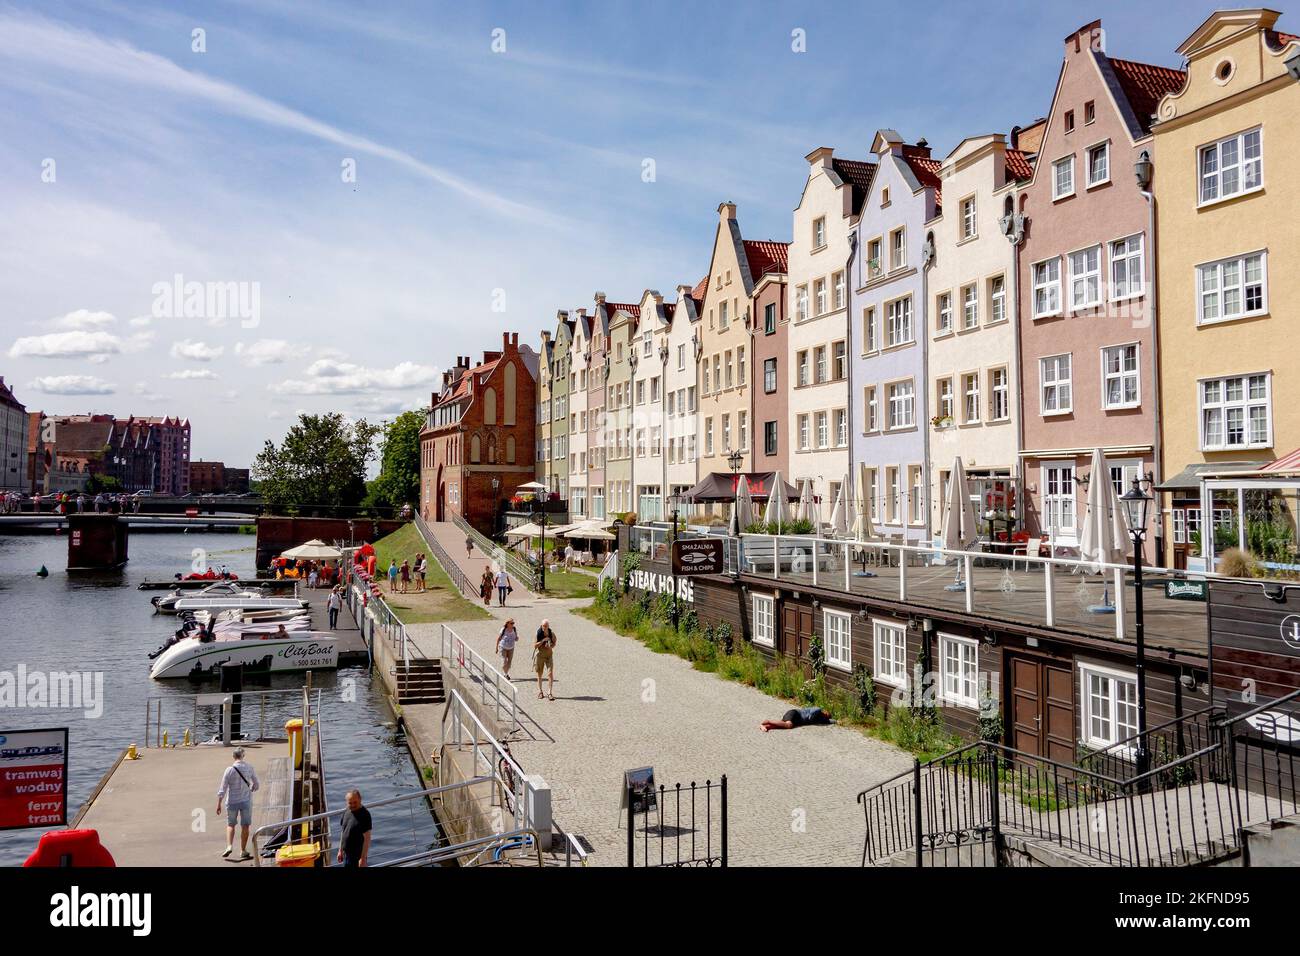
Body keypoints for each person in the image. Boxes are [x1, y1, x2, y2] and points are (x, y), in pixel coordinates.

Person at [216, 748, 260, 860]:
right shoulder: (249, 767)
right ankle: (243, 850)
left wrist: (219, 804)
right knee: (245, 826)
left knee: (231, 824)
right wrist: (252, 789)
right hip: (246, 801)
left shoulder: (229, 770)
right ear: (243, 756)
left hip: (232, 802)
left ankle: (229, 846)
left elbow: (223, 788)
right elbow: (256, 785)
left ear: (233, 757)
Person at [336, 789, 372, 868]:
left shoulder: (365, 815)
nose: (352, 805)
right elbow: (343, 831)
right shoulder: (347, 811)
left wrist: (363, 859)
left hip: (357, 857)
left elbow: (367, 839)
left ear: (360, 799)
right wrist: (340, 850)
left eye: (355, 802)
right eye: (350, 803)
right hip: (346, 855)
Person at [760, 706, 834, 733]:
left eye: (827, 716)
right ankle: (768, 721)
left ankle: (766, 726)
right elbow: (810, 716)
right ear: (824, 711)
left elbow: (831, 721)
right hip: (795, 713)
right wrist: (816, 720)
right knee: (789, 725)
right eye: (826, 714)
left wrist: (837, 721)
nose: (826, 716)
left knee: (782, 725)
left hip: (797, 719)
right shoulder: (818, 710)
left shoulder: (820, 719)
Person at [534, 619, 556, 700]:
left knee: (550, 673)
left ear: (548, 626)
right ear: (541, 625)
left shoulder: (551, 633)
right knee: (540, 674)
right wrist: (543, 640)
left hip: (549, 656)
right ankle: (540, 692)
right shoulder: (538, 633)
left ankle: (549, 692)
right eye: (543, 626)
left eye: (546, 626)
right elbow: (535, 646)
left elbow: (554, 643)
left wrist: (550, 646)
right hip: (540, 656)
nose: (544, 627)